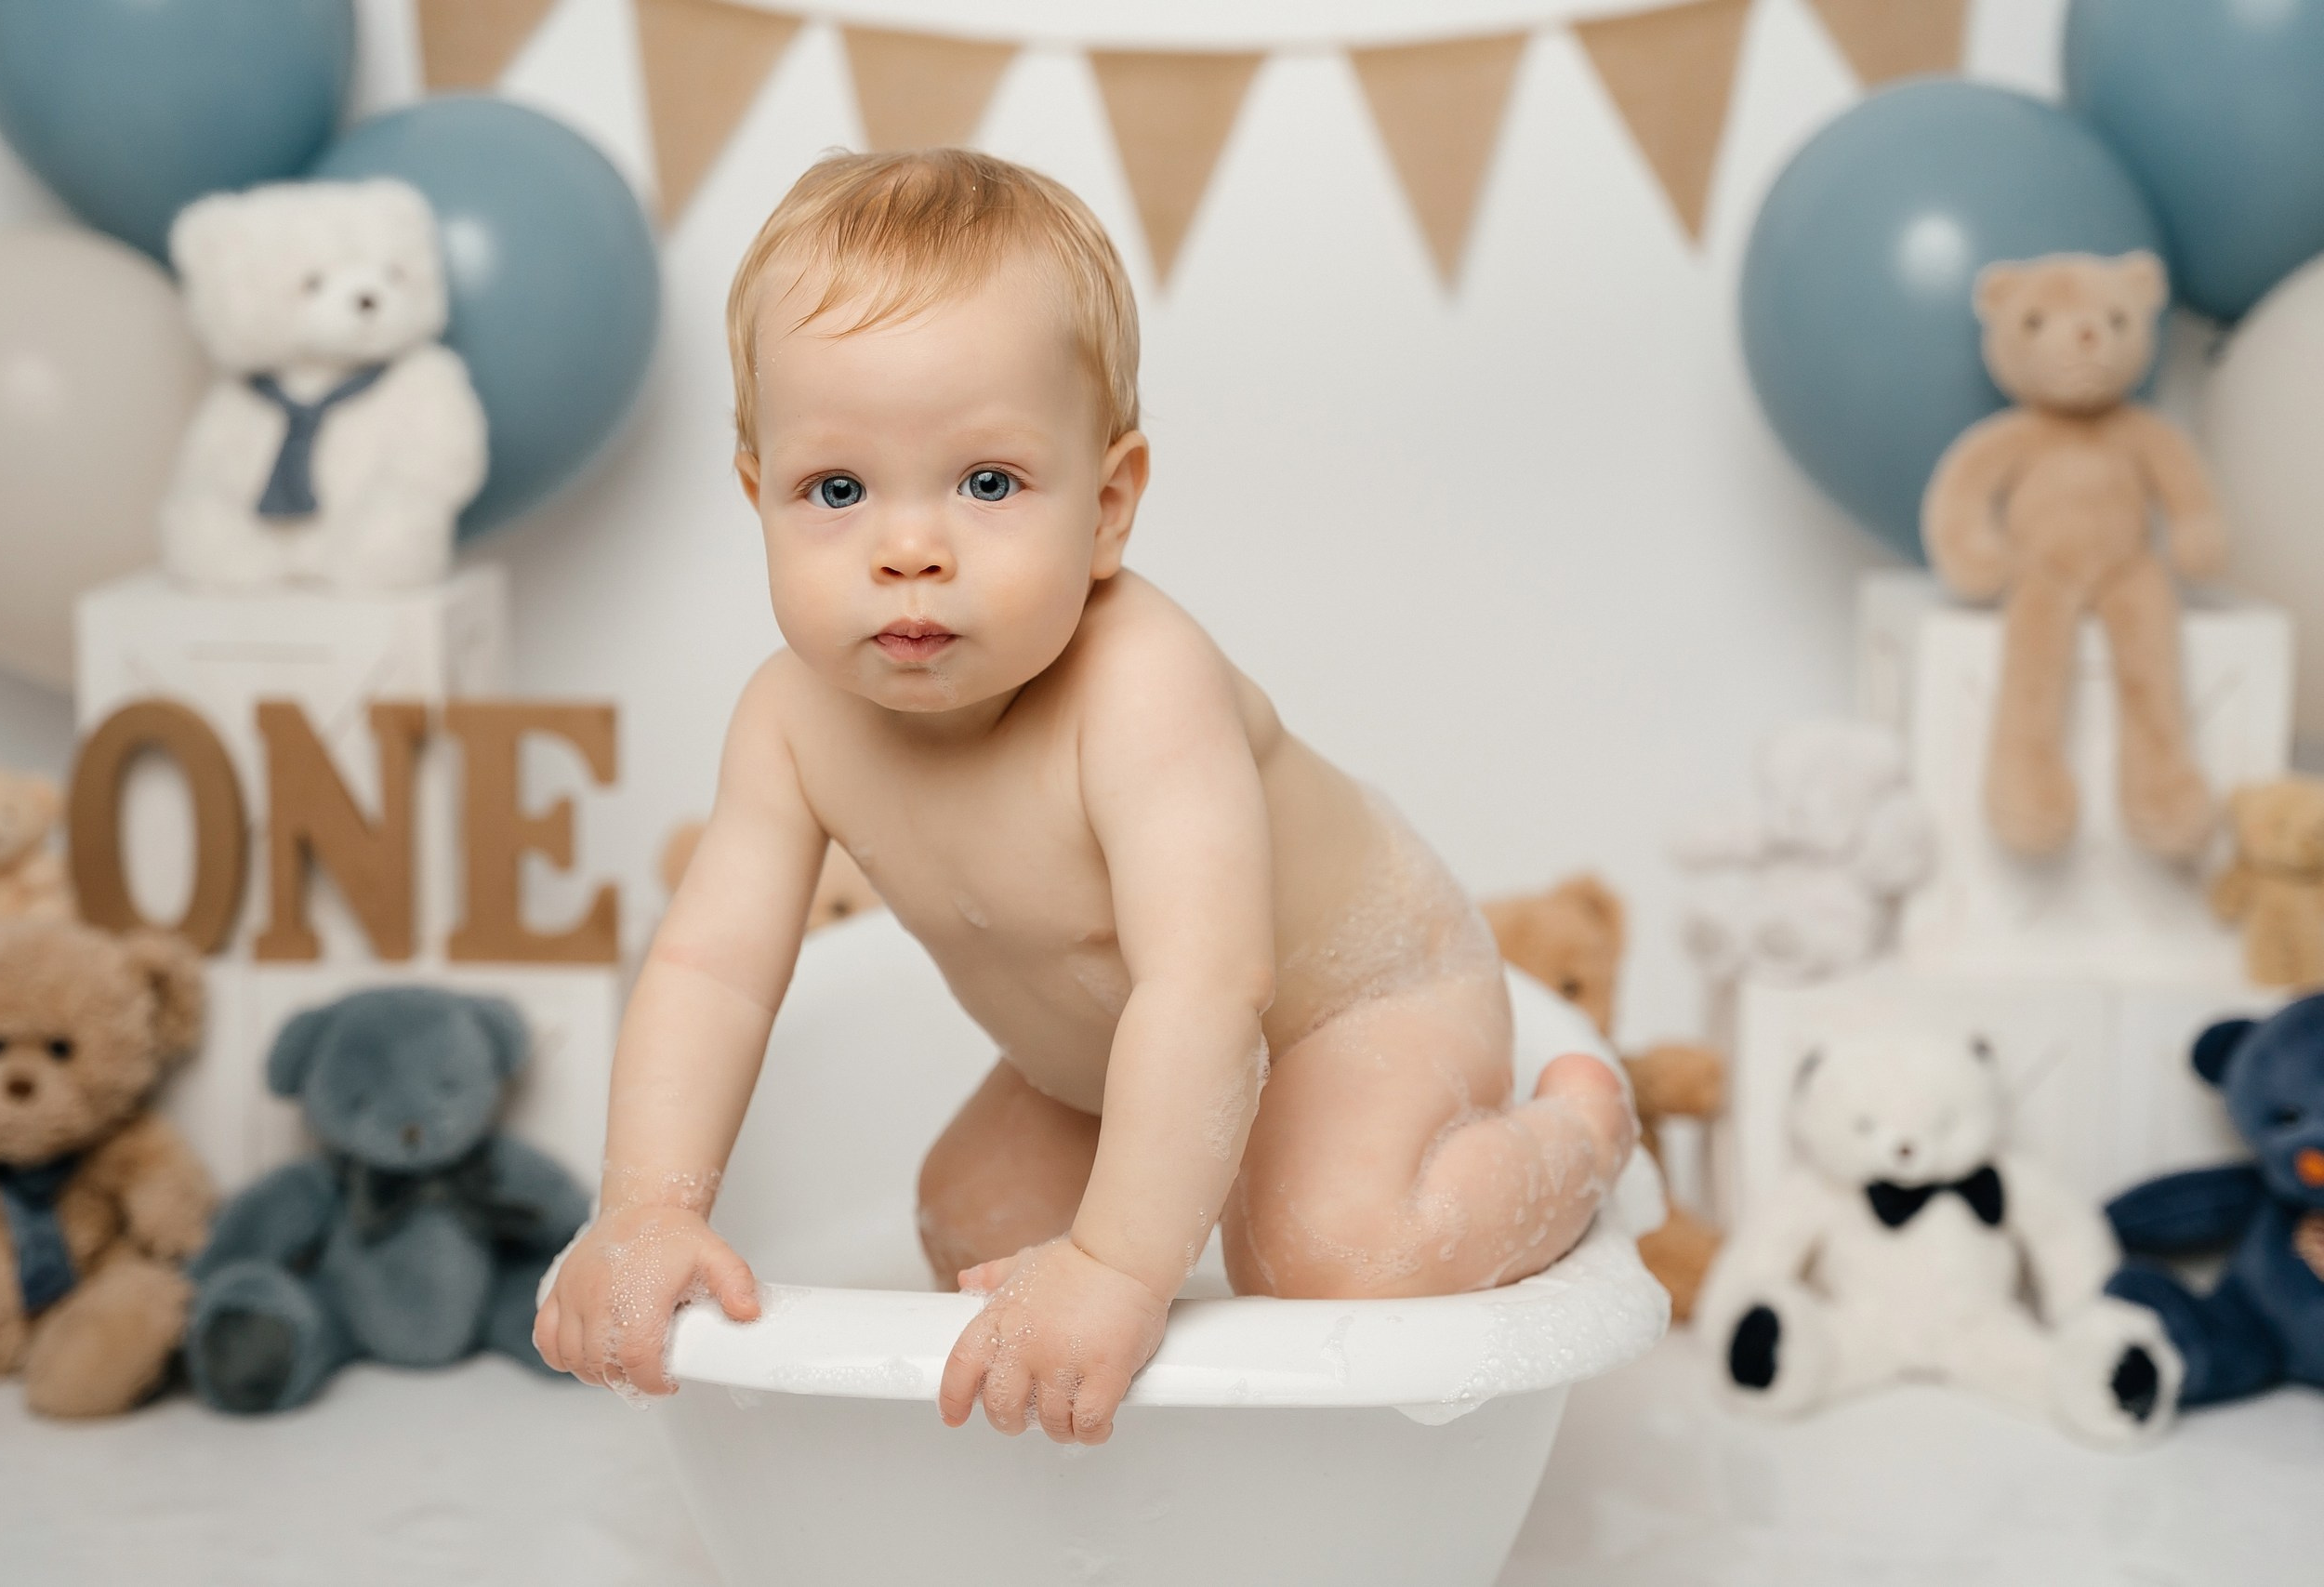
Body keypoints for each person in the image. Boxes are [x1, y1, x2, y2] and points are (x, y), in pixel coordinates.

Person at [535, 149, 1631, 1446]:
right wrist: (645, 1210)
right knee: (975, 1227)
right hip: (1121, 1056)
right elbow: (711, 969)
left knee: (1332, 1256)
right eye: (836, 490)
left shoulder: (1142, 689)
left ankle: (1575, 1136)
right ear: (756, 492)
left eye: (988, 483)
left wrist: (1117, 1268)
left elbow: (1205, 990)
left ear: (1108, 508)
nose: (908, 549)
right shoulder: (791, 721)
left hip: (1354, 1006)